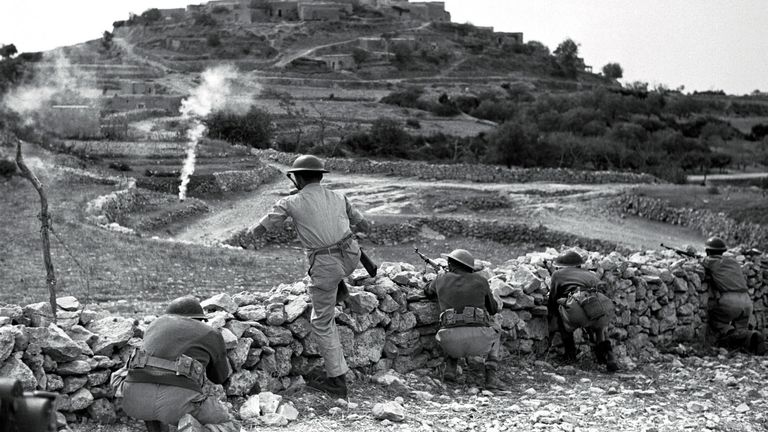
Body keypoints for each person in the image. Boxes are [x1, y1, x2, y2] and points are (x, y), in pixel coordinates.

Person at [247, 154, 370, 398]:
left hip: (327, 266)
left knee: (322, 323)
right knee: (332, 273)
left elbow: (261, 228)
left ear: (299, 178)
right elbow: (364, 225)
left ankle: (337, 381)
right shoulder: (338, 196)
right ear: (320, 176)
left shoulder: (291, 201)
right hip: (352, 257)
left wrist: (251, 231)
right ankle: (341, 291)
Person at [121, 296, 237, 432]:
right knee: (229, 424)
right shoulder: (211, 333)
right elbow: (219, 377)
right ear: (200, 319)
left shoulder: (153, 326)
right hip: (177, 402)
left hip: (133, 399)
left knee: (155, 402)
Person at [424, 249, 503, 389]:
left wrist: (439, 279)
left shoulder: (441, 278)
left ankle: (450, 369)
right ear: (470, 267)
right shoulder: (481, 280)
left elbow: (428, 292)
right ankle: (491, 376)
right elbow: (493, 309)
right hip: (480, 342)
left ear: (450, 264)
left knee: (449, 322)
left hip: (448, 342)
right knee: (497, 324)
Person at [547, 251, 619, 372]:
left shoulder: (557, 274)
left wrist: (551, 317)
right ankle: (608, 357)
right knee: (599, 328)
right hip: (600, 304)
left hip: (576, 307)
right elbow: (603, 289)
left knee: (562, 318)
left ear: (561, 265)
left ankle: (570, 355)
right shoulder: (589, 274)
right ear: (579, 264)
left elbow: (553, 299)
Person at [702, 237, 766, 355]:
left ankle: (722, 343)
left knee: (719, 322)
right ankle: (751, 342)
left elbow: (702, 262)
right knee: (741, 329)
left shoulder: (710, 261)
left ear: (708, 252)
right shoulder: (733, 262)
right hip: (747, 301)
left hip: (730, 300)